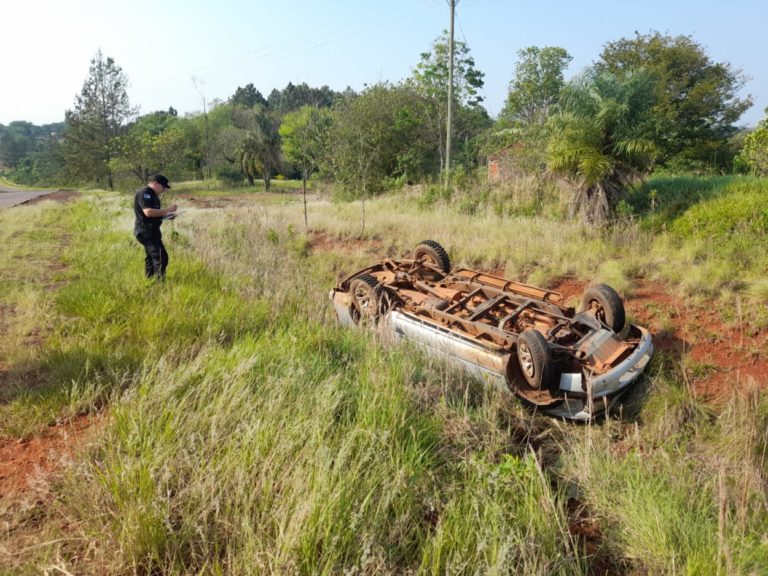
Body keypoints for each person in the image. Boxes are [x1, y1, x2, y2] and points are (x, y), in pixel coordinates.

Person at [133, 174, 177, 280]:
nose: (164, 190)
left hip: (152, 230)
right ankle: (159, 284)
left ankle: (150, 280)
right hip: (145, 231)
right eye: (163, 187)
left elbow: (154, 214)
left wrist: (165, 216)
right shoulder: (144, 193)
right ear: (155, 183)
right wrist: (168, 210)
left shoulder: (153, 194)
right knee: (161, 257)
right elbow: (148, 212)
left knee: (151, 257)